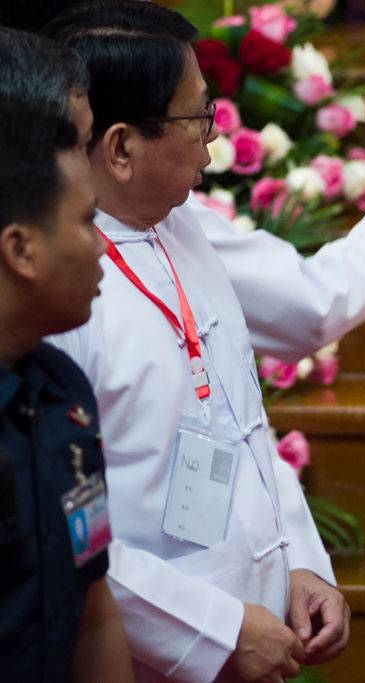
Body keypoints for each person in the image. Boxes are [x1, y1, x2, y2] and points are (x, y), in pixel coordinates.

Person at [40, 1, 365, 680]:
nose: (211, 143)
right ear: (120, 147)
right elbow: (74, 541)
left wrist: (298, 557)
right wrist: (221, 628)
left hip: (260, 619)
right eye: (196, 119)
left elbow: (241, 423)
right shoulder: (61, 295)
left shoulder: (184, 223)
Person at [0, 28, 132, 681]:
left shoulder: (64, 392)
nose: (104, 246)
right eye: (86, 222)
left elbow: (94, 609)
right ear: (20, 249)